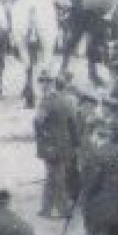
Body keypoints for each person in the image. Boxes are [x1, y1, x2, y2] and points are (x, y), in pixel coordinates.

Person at [34, 73, 79, 218]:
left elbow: (38, 122)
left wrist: (42, 138)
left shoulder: (46, 102)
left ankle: (60, 209)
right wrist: (74, 143)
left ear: (49, 84)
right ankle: (48, 208)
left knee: (55, 177)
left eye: (43, 83)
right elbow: (73, 123)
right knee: (55, 176)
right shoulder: (66, 100)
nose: (42, 86)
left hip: (51, 147)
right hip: (65, 145)